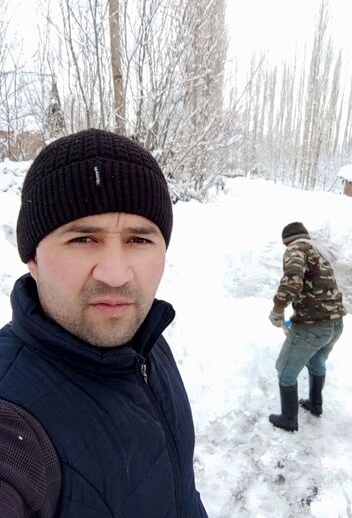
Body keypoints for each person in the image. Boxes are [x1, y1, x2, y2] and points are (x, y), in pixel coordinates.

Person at [0, 129, 208, 517]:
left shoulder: (148, 341)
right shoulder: (12, 419)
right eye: (83, 239)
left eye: (139, 240)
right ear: (33, 258)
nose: (115, 275)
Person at [268, 222, 346, 432]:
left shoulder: (296, 248)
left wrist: (278, 309)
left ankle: (288, 419)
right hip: (335, 323)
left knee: (285, 370)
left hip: (314, 326)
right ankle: (315, 404)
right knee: (316, 361)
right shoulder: (317, 252)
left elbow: (292, 281)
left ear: (287, 241)